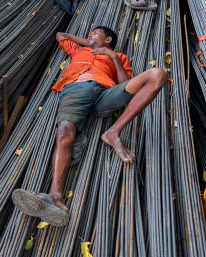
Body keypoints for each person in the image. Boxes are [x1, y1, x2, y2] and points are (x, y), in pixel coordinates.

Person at [12, 27, 166, 227]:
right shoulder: (79, 50)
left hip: (105, 95)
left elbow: (126, 84)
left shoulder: (119, 56)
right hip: (76, 89)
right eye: (90, 33)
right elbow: (60, 35)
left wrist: (113, 56)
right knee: (64, 131)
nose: (90, 34)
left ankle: (113, 132)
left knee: (158, 74)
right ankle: (56, 195)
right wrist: (87, 42)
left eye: (95, 32)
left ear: (108, 39)